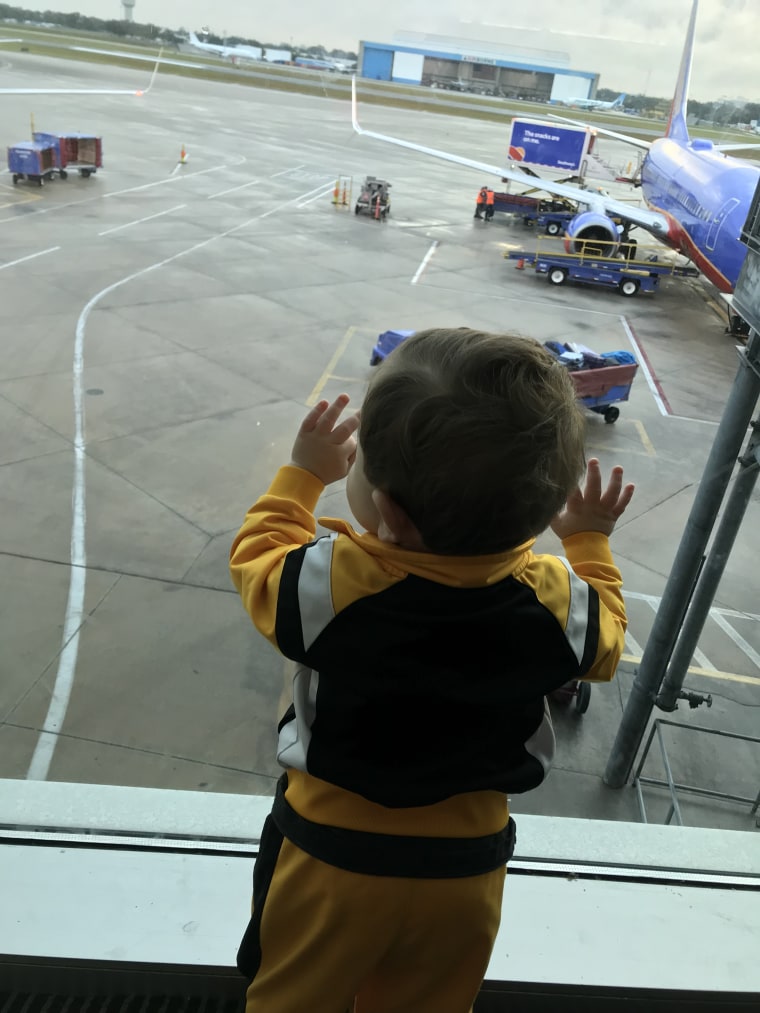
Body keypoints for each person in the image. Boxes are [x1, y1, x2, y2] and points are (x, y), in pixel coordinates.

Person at [229, 327, 634, 1013]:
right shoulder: (554, 601)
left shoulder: (335, 585)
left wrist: (302, 473)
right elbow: (609, 640)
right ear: (537, 516)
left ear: (388, 514)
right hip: (465, 873)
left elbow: (258, 556)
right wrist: (589, 540)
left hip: (331, 860)